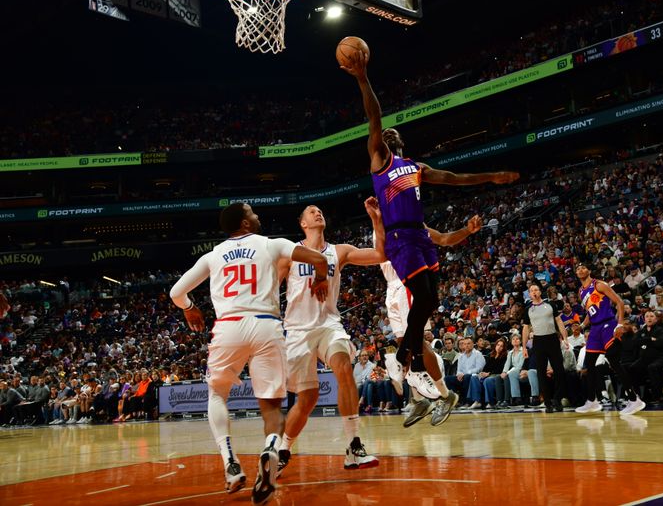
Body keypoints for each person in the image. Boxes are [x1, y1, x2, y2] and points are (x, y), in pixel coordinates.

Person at [343, 49, 518, 427]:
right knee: (424, 300)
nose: (385, 136)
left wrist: (491, 176)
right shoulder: (380, 162)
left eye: (391, 136)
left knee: (432, 298)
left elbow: (454, 179)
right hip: (400, 239)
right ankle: (411, 363)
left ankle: (411, 365)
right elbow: (374, 117)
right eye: (382, 136)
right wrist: (362, 77)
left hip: (418, 237)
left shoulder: (416, 169)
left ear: (400, 143)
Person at [170, 202, 329, 504]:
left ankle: (230, 464)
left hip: (228, 327)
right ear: (244, 223)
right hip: (266, 325)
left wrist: (190, 310)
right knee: (271, 407)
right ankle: (270, 447)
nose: (257, 216)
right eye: (252, 213)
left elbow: (176, 293)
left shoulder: (212, 255)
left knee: (217, 395)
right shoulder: (272, 244)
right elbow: (318, 258)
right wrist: (320, 278)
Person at [278, 200, 386, 476]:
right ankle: (283, 449)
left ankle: (353, 445)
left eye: (320, 211)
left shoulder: (339, 251)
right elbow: (268, 289)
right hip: (298, 331)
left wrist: (375, 219)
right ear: (303, 223)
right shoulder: (290, 254)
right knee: (307, 400)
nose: (318, 213)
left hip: (329, 325)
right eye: (311, 212)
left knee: (343, 368)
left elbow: (380, 254)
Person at [379, 215, 483, 427]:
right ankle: (419, 400)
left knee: (417, 342)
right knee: (403, 344)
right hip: (391, 287)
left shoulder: (415, 223)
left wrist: (467, 230)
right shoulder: (382, 223)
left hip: (408, 281)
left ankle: (445, 395)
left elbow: (444, 239)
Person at [574, 263, 645, 415]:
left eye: (583, 268)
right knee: (589, 364)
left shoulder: (599, 285)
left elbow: (619, 302)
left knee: (613, 361)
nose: (580, 270)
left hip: (608, 324)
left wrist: (619, 324)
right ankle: (592, 401)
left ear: (589, 270)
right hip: (594, 328)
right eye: (578, 269)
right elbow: (590, 312)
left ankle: (634, 399)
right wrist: (582, 325)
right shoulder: (581, 291)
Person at [522, 283, 569, 412]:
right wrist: (524, 347)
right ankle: (547, 402)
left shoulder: (550, 305)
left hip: (552, 339)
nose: (534, 292)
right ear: (529, 294)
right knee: (541, 373)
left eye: (536, 289)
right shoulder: (528, 309)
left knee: (559, 370)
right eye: (531, 290)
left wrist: (565, 338)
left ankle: (558, 399)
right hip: (538, 341)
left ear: (540, 291)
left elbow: (559, 321)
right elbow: (526, 328)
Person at [627, 312, 663, 403]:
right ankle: (637, 396)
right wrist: (650, 339)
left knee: (652, 367)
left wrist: (644, 341)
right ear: (644, 319)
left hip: (659, 358)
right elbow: (634, 342)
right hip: (644, 359)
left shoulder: (661, 330)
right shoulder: (641, 331)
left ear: (656, 319)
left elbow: (662, 343)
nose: (649, 318)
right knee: (632, 368)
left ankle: (657, 396)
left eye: (652, 316)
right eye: (647, 316)